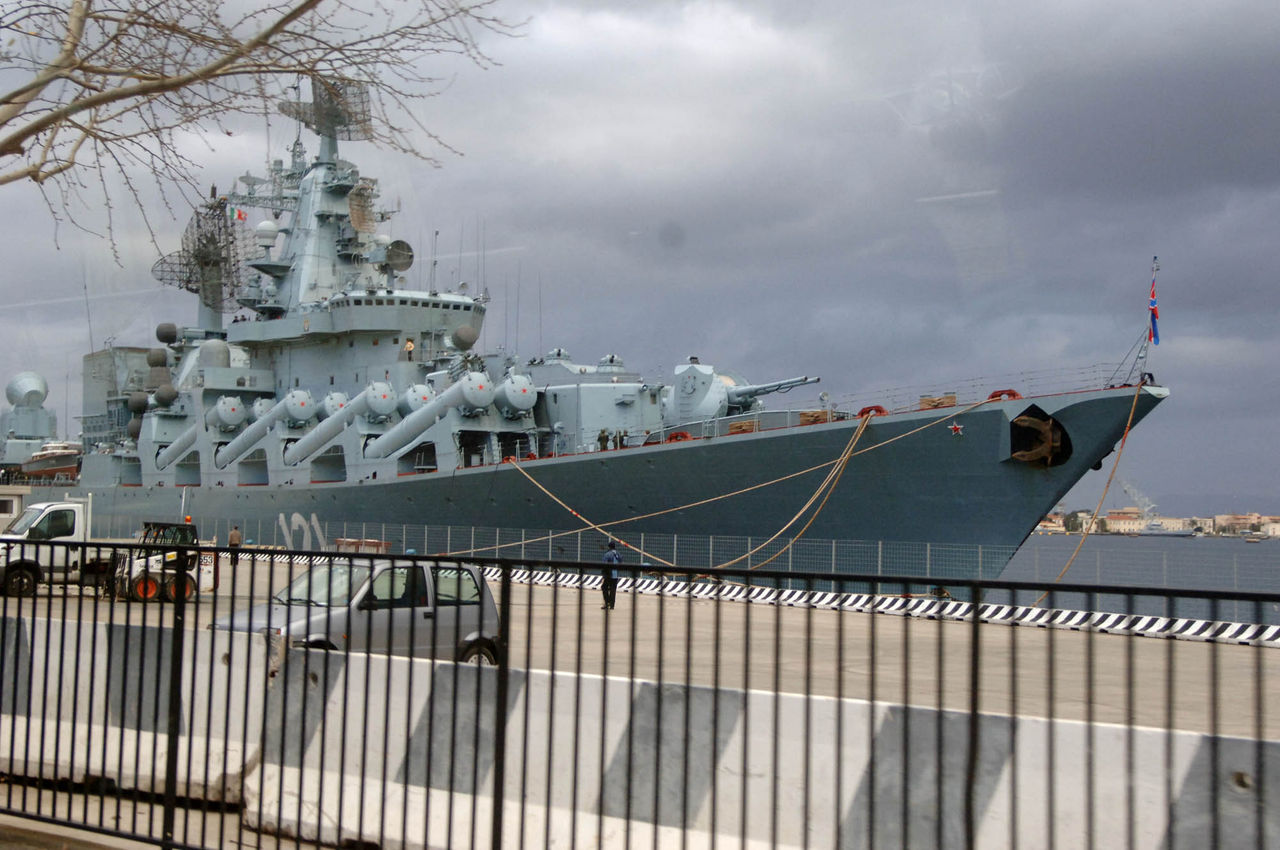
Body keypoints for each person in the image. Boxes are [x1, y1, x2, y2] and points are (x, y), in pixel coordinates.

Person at [601, 541, 621, 610]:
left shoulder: (607, 554)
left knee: (604, 587)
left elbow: (604, 565)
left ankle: (607, 602)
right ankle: (612, 605)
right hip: (616, 575)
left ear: (609, 547)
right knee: (613, 590)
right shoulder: (618, 554)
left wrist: (603, 574)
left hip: (609, 574)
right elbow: (621, 562)